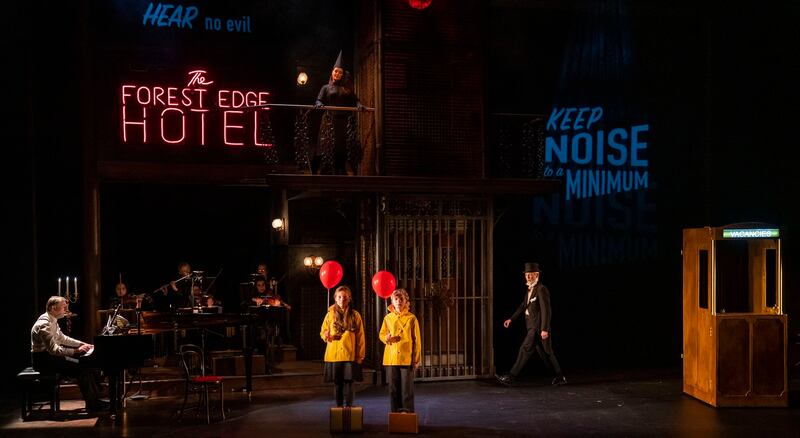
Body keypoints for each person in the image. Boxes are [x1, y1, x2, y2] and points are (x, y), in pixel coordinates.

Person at [30, 296, 108, 412]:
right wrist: (77, 351)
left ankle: (95, 400)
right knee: (81, 368)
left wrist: (82, 344)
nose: (66, 310)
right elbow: (54, 350)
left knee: (83, 364)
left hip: (53, 358)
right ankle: (92, 404)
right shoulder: (44, 324)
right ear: (53, 308)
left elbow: (63, 339)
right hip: (44, 361)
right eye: (64, 307)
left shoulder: (52, 320)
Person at [496, 262, 566, 386]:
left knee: (524, 349)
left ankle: (511, 377)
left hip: (537, 328)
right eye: (526, 275)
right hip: (532, 327)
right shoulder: (529, 290)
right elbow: (523, 306)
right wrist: (511, 319)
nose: (528, 277)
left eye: (531, 274)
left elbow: (546, 310)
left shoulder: (541, 289)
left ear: (537, 275)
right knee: (546, 353)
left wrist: (544, 329)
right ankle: (560, 377)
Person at [313, 50, 365, 175]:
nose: (337, 74)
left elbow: (356, 100)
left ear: (342, 74)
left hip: (343, 121)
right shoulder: (326, 87)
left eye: (340, 72)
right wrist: (319, 104)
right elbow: (318, 100)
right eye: (336, 71)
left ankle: (340, 169)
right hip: (329, 120)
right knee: (326, 144)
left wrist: (359, 105)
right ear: (332, 72)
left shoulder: (347, 89)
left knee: (341, 146)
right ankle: (323, 169)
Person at [320, 285, 365, 407]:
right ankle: (339, 407)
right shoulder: (330, 315)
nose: (342, 299)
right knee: (337, 382)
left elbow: (360, 337)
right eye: (339, 297)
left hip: (349, 354)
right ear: (335, 298)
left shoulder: (355, 315)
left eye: (345, 297)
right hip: (334, 355)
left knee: (349, 382)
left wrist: (360, 355)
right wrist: (326, 335)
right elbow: (323, 332)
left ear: (349, 298)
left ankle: (349, 407)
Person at [379, 288, 421, 413]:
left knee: (406, 389)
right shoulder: (388, 318)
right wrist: (386, 338)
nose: (398, 302)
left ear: (406, 301)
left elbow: (417, 340)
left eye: (401, 299)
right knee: (393, 388)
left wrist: (416, 359)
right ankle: (395, 413)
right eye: (396, 299)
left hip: (406, 358)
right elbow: (382, 334)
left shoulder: (412, 318)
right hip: (391, 358)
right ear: (392, 301)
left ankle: (407, 413)